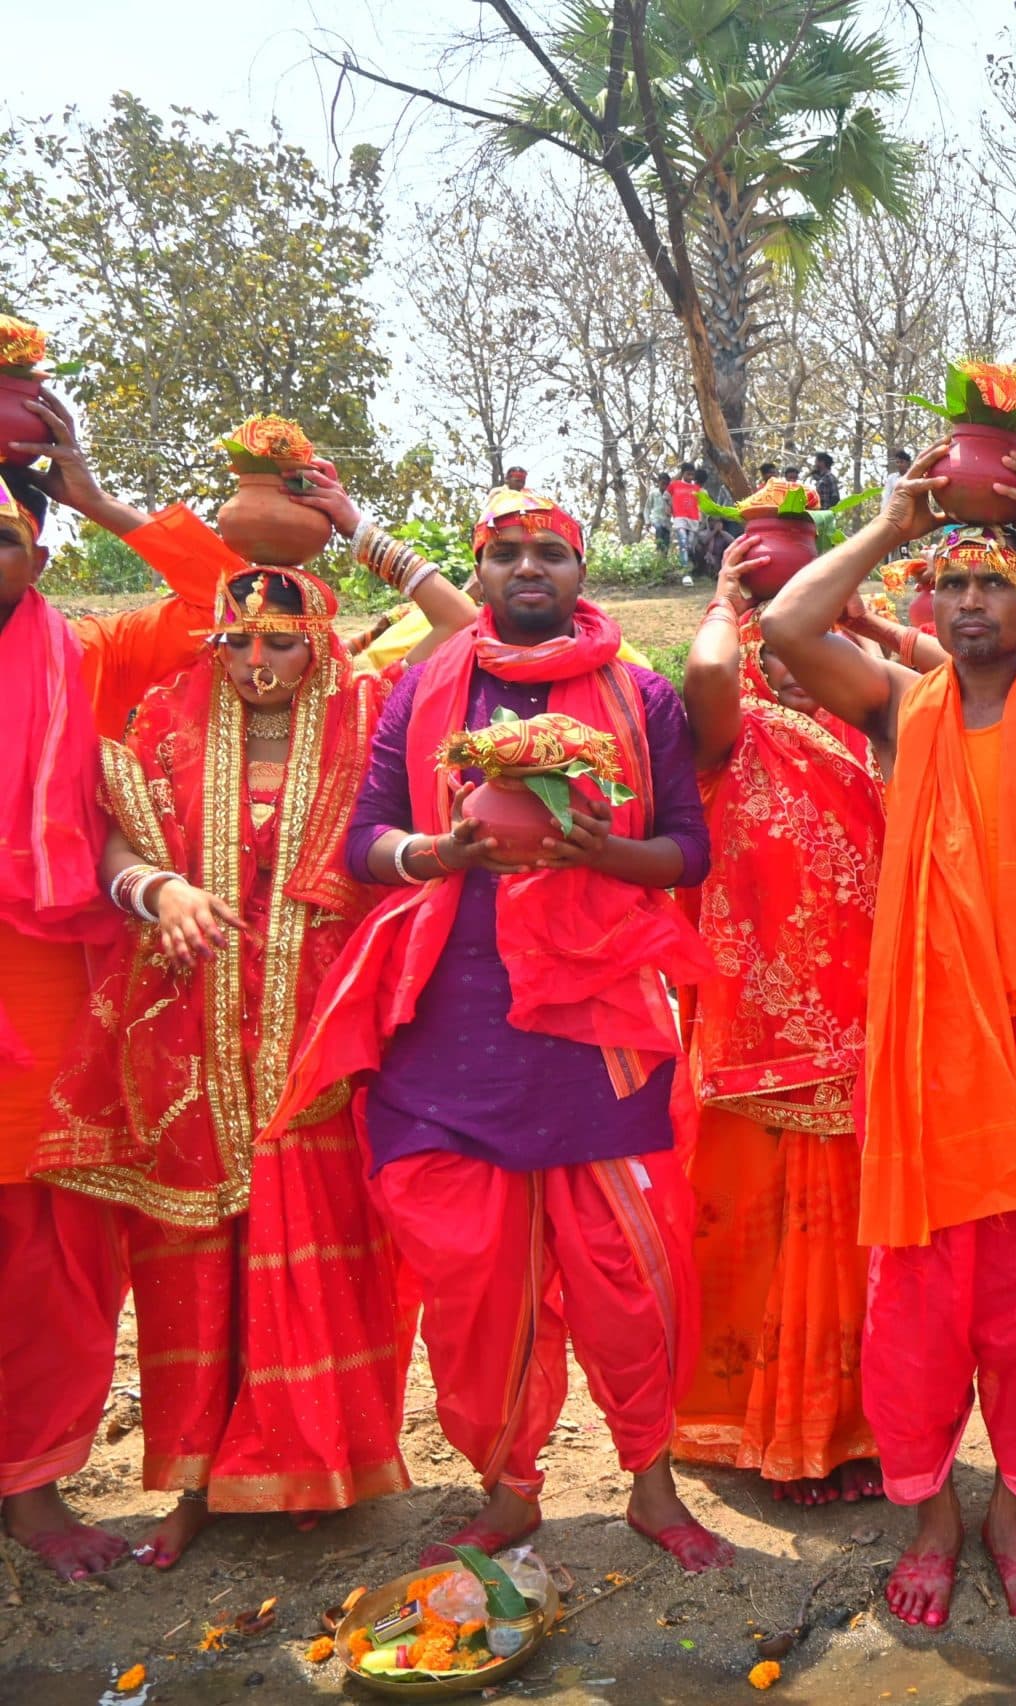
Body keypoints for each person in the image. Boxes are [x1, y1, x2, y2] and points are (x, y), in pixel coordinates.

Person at [277, 486, 730, 1573]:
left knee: (629, 1272)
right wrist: (435, 855)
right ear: (477, 573)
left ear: (579, 576)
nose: (530, 569)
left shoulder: (642, 693)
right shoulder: (421, 687)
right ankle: (509, 1489)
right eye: (508, 554)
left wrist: (595, 854)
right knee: (474, 1280)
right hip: (449, 1020)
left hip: (597, 1019)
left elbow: (686, 848)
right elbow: (364, 840)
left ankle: (651, 1485)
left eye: (551, 554)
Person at [36, 475, 475, 1567]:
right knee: (190, 1264)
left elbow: (467, 633)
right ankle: (187, 1481)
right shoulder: (160, 718)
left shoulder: (375, 711)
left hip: (326, 1044)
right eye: (237, 642)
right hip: (190, 1042)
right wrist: (156, 890)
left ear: (317, 638)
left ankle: (317, 1464)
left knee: (323, 1258)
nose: (257, 663)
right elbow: (102, 838)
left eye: (280, 642)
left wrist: (364, 533)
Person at [759, 441, 1016, 1628]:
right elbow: (784, 623)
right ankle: (932, 1510)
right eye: (954, 585)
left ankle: (1015, 1508)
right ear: (927, 604)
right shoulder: (894, 708)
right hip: (929, 1049)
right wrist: (889, 526)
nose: (971, 601)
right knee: (921, 1295)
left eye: (995, 584)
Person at [0, 398, 232, 1581]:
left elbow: (229, 595)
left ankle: (30, 1484)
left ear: (36, 551)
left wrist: (90, 491)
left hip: (46, 996)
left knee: (48, 1251)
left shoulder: (82, 653)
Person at [671, 542, 885, 1507]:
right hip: (756, 1042)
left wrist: (876, 630)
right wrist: (722, 598)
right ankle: (756, 1434)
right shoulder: (732, 731)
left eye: (828, 627)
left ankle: (847, 1432)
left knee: (854, 1248)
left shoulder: (873, 732)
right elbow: (709, 668)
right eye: (785, 629)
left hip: (868, 1039)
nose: (806, 651)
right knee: (752, 1241)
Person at [670, 463, 704, 573]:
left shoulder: (697, 488)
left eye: (692, 475)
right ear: (682, 473)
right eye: (688, 474)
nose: (690, 477)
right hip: (680, 518)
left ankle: (690, 567)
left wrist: (700, 518)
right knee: (683, 542)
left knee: (689, 545)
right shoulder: (674, 485)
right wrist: (670, 508)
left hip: (693, 520)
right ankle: (684, 569)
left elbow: (700, 505)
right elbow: (666, 497)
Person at [649, 471, 675, 558]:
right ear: (658, 482)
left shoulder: (670, 495)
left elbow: (674, 509)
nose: (664, 486)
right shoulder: (653, 493)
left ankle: (663, 558)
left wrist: (670, 508)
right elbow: (647, 508)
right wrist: (647, 521)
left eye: (666, 484)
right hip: (656, 518)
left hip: (666, 521)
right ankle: (658, 550)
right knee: (659, 529)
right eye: (662, 483)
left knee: (666, 539)